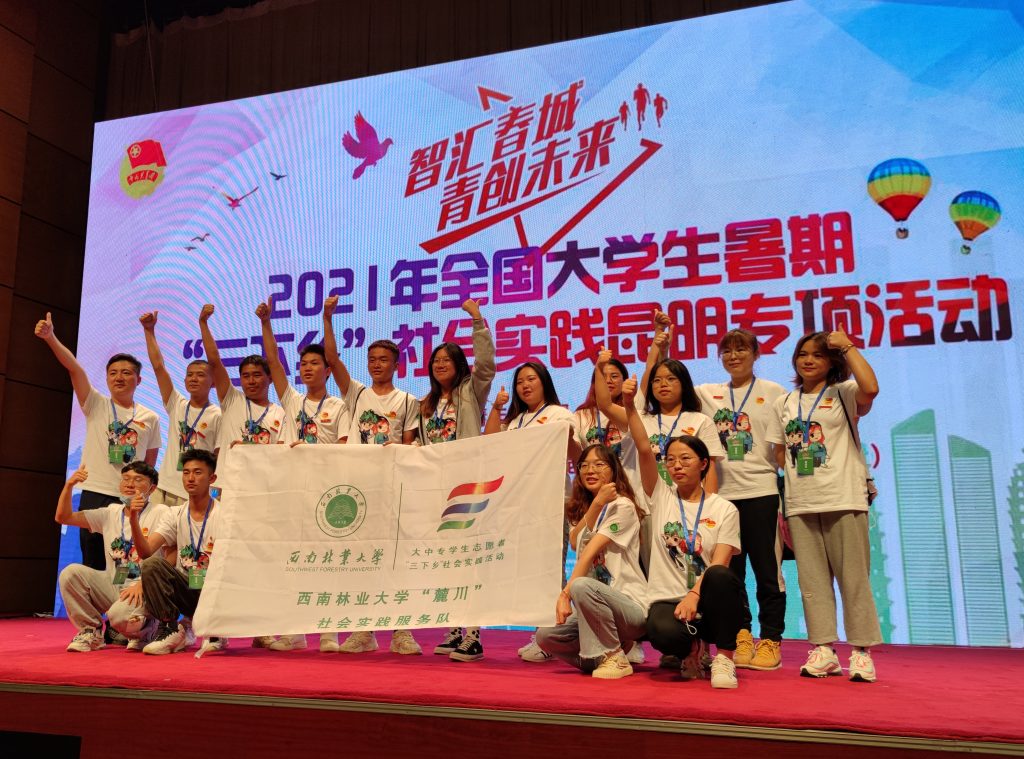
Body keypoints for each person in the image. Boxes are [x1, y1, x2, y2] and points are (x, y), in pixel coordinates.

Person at [765, 327, 882, 682]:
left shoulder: (843, 392)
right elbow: (779, 451)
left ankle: (861, 651)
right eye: (803, 355)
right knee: (812, 580)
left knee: (853, 578)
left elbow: (871, 388)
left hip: (844, 496)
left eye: (817, 355)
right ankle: (824, 649)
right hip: (802, 502)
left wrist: (847, 346)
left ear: (832, 362)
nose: (808, 360)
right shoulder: (784, 402)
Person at [623, 375, 745, 689]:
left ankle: (724, 659)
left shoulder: (724, 509)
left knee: (721, 576)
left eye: (685, 459)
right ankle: (692, 651)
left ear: (704, 464)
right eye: (671, 460)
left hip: (707, 598)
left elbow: (719, 564)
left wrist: (694, 595)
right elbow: (644, 449)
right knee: (660, 631)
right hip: (668, 600)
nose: (676, 466)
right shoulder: (661, 497)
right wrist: (629, 406)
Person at [324, 301, 422, 655]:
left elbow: (410, 446)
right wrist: (327, 318)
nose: (376, 364)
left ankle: (402, 631)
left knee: (397, 558)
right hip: (360, 487)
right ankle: (364, 630)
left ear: (396, 365)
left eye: (383, 360)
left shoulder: (408, 400)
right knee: (363, 558)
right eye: (371, 359)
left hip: (393, 488)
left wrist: (399, 449)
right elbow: (332, 359)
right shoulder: (357, 393)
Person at [256, 295, 350, 653]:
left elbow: (344, 449)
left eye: (315, 363)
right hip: (292, 491)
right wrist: (266, 323)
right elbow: (273, 363)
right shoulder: (293, 401)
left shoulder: (340, 406)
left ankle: (329, 633)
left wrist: (311, 453)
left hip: (326, 494)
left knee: (327, 563)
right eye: (303, 364)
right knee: (292, 561)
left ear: (328, 370)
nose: (307, 368)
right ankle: (294, 632)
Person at [35, 312, 161, 573]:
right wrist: (50, 338)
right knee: (93, 560)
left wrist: (142, 495)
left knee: (126, 560)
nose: (119, 377)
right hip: (95, 492)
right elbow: (75, 368)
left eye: (126, 373)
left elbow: (149, 464)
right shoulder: (95, 404)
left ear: (138, 380)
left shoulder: (150, 417)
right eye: (113, 373)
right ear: (106, 378)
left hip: (129, 496)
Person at [696, 329, 787, 671]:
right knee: (729, 575)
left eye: (741, 349)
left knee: (767, 571)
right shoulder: (709, 394)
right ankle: (742, 634)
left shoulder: (774, 392)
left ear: (756, 354)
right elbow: (669, 383)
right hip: (723, 498)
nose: (733, 356)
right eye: (727, 351)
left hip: (762, 492)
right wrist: (662, 344)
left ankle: (771, 639)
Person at [485, 361, 581, 662]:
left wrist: (567, 436)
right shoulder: (516, 421)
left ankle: (552, 637)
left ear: (544, 383)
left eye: (531, 379)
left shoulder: (560, 415)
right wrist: (496, 409)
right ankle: (544, 635)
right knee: (532, 573)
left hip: (552, 502)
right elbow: (491, 444)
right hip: (521, 506)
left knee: (551, 571)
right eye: (520, 382)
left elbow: (577, 456)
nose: (525, 385)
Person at [418, 299, 496, 662]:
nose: (439, 365)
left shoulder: (470, 390)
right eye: (435, 360)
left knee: (469, 559)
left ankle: (474, 634)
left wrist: (477, 320)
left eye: (446, 360)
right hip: (437, 489)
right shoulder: (426, 403)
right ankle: (452, 627)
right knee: (445, 560)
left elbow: (487, 364)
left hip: (466, 487)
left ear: (458, 364)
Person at [535, 444, 647, 679]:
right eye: (584, 465)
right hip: (594, 609)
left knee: (580, 585)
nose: (590, 470)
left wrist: (565, 594)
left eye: (599, 464)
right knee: (546, 637)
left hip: (628, 606)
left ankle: (615, 657)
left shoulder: (623, 506)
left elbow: (590, 551)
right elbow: (575, 542)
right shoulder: (587, 507)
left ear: (614, 470)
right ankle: (606, 654)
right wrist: (596, 504)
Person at [109, 449, 226, 656]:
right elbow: (146, 552)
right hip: (187, 590)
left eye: (198, 472)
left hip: (217, 591)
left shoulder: (225, 515)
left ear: (212, 478)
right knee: (152, 565)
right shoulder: (175, 514)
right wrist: (133, 517)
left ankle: (216, 629)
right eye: (186, 472)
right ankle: (169, 627)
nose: (190, 478)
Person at [56, 462, 167, 652]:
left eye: (138, 479)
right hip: (115, 584)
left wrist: (144, 583)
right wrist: (69, 486)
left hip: (144, 589)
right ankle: (91, 631)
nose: (130, 484)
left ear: (152, 488)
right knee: (70, 573)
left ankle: (148, 630)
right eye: (126, 479)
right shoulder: (110, 512)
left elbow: (170, 555)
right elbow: (63, 517)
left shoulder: (161, 512)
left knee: (118, 617)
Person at [198, 303, 286, 495]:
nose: (251, 381)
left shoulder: (280, 413)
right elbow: (214, 361)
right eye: (245, 376)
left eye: (257, 375)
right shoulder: (232, 399)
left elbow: (280, 455)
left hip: (260, 488)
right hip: (224, 486)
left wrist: (265, 322)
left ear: (270, 378)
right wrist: (203, 323)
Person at [140, 311, 221, 508]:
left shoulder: (218, 415)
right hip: (163, 488)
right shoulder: (177, 404)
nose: (193, 379)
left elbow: (219, 458)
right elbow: (159, 368)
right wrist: (149, 331)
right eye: (189, 375)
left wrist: (215, 494)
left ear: (213, 382)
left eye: (200, 375)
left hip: (193, 493)